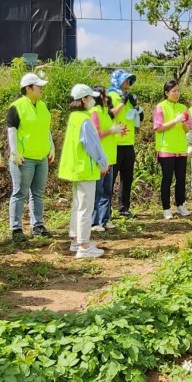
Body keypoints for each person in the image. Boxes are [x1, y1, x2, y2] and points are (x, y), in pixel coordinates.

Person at [59, 84, 109, 258]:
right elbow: (92, 146)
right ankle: (84, 246)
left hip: (75, 169)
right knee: (85, 208)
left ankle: (75, 241)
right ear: (83, 99)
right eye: (90, 97)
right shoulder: (85, 120)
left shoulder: (74, 117)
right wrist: (103, 163)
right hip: (85, 169)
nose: (93, 100)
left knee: (78, 206)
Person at [6, 72, 54, 241]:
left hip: (41, 157)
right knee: (19, 193)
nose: (41, 89)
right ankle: (16, 229)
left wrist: (51, 147)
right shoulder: (16, 107)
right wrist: (14, 152)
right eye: (38, 86)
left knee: (38, 193)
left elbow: (46, 129)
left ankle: (38, 225)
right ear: (28, 88)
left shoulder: (42, 106)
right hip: (24, 159)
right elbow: (11, 130)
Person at [153, 80, 192, 220]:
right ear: (166, 93)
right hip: (166, 148)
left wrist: (183, 122)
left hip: (180, 148)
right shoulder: (160, 107)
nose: (176, 93)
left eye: (178, 91)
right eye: (173, 91)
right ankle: (166, 208)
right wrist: (175, 121)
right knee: (167, 179)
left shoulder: (183, 107)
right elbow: (158, 128)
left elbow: (188, 129)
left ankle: (180, 204)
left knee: (181, 178)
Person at [90, 86, 125, 232]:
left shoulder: (106, 112)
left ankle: (105, 219)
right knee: (97, 191)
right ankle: (94, 222)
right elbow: (96, 134)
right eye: (105, 95)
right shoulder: (95, 112)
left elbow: (108, 133)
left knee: (107, 191)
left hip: (110, 157)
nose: (107, 98)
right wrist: (111, 130)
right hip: (100, 158)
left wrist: (117, 131)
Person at [108, 69, 142, 218]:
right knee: (110, 178)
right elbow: (110, 115)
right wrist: (122, 102)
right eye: (126, 79)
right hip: (114, 143)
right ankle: (105, 209)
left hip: (128, 143)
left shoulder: (130, 98)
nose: (129, 82)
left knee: (127, 177)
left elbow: (138, 120)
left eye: (129, 79)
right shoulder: (111, 96)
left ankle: (124, 208)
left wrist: (135, 106)